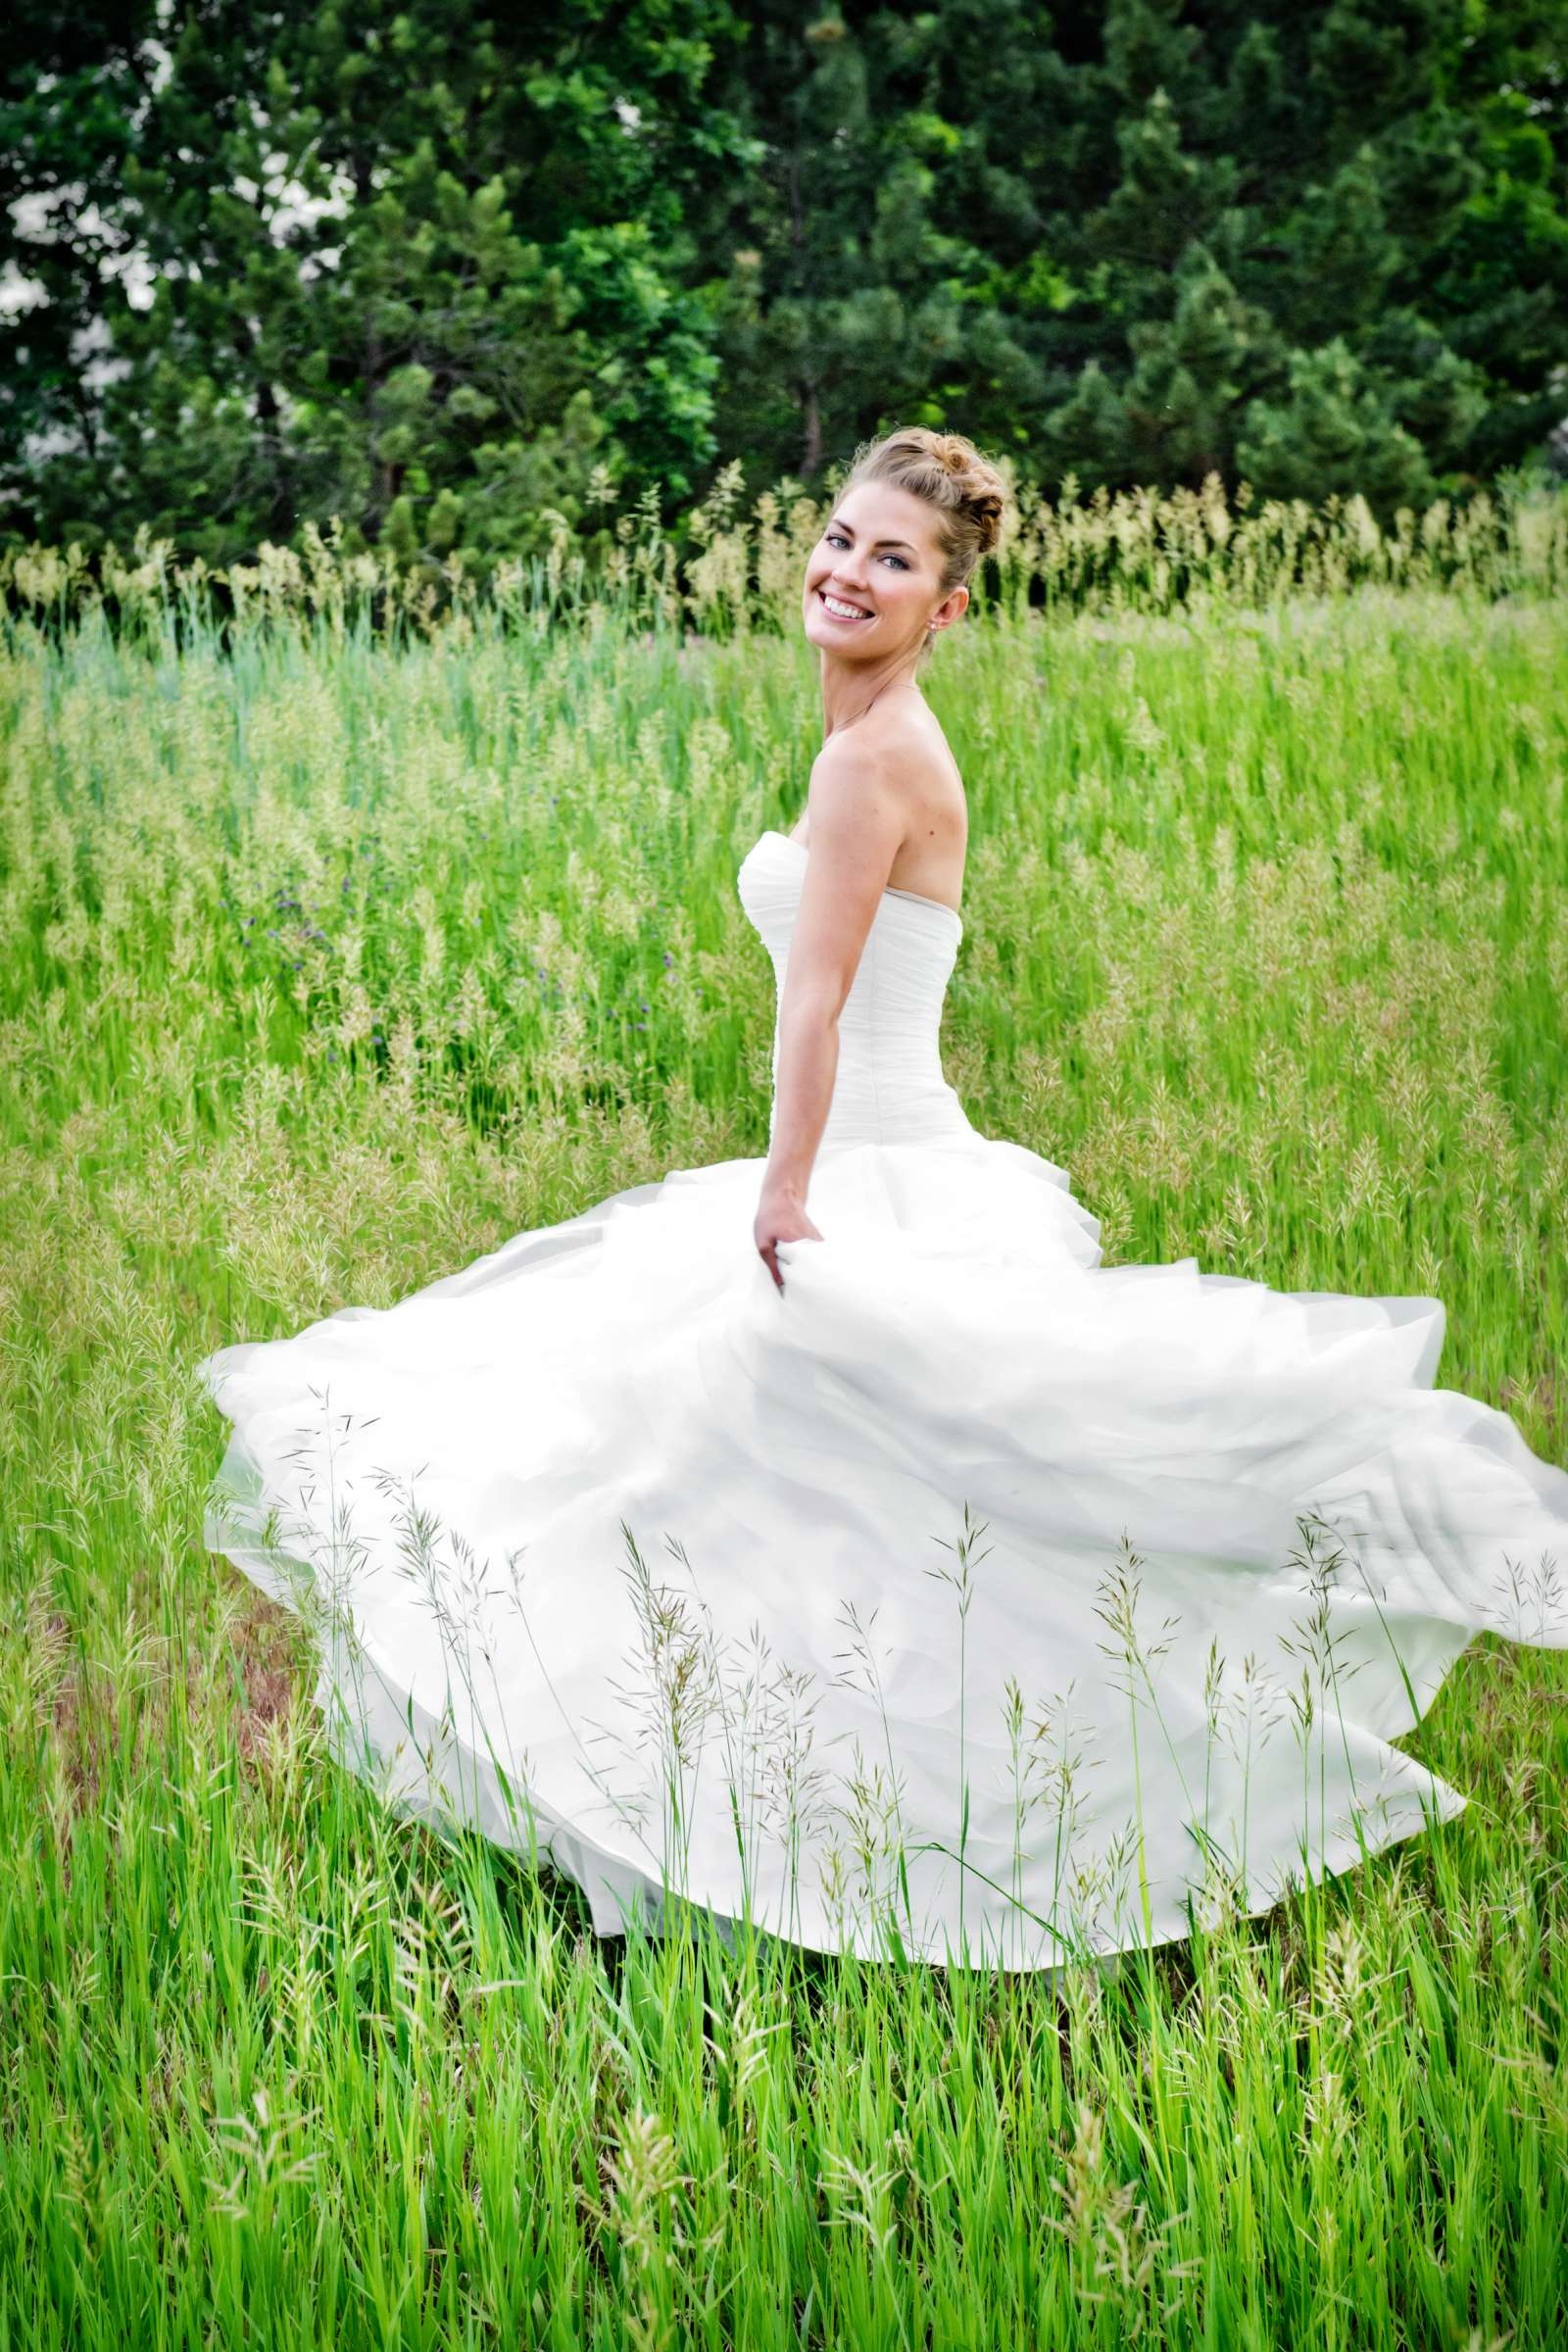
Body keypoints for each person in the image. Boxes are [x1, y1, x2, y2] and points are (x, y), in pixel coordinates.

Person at [198, 426, 1568, 1975]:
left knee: (753, 1484)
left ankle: (855, 1827)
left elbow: (820, 1006)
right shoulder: (862, 735)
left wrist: (783, 1195)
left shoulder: (874, 759)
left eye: (895, 560)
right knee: (778, 1495)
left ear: (948, 607)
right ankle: (749, 1816)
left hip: (872, 1170)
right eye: (842, 540)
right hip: (879, 1157)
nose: (850, 572)